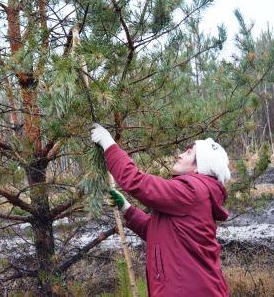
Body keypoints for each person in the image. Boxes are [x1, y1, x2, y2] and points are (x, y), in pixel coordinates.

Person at [90, 123, 231, 297]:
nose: (180, 155)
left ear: (199, 166)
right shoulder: (194, 194)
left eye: (188, 153)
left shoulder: (192, 190)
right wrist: (127, 209)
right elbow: (158, 232)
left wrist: (108, 144)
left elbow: (136, 182)